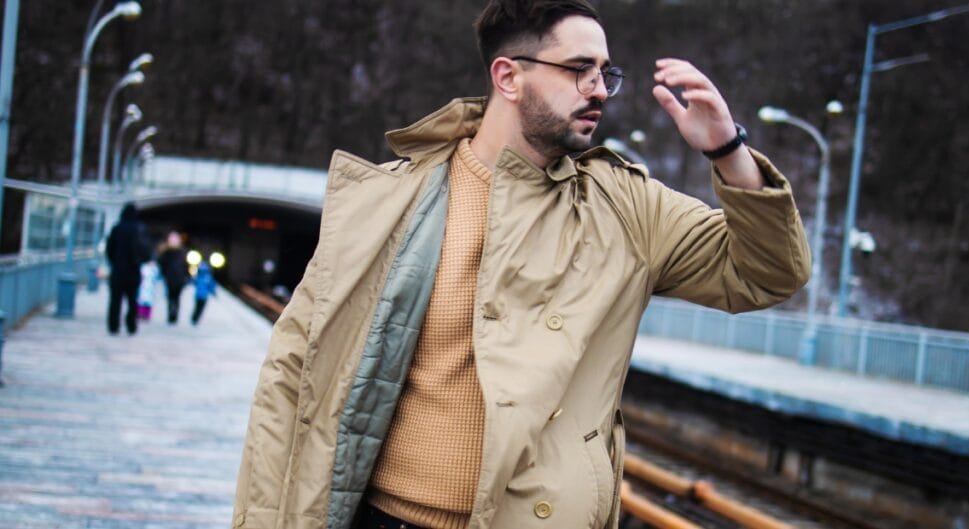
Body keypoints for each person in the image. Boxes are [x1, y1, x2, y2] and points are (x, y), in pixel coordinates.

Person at [232, 2, 811, 528]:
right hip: (376, 517)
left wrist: (727, 152)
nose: (600, 90)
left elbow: (767, 273)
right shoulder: (390, 199)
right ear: (508, 76)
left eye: (605, 73)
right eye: (578, 69)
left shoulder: (628, 210)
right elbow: (292, 376)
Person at [104, 202, 149, 335]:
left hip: (118, 271)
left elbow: (109, 249)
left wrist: (115, 262)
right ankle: (131, 325)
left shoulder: (117, 229)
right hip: (133, 271)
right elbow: (145, 251)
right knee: (133, 300)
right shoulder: (139, 229)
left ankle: (113, 326)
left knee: (115, 300)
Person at [156, 231, 188, 324]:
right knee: (176, 297)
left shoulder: (166, 252)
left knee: (170, 297)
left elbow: (161, 264)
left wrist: (163, 275)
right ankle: (174, 315)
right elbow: (186, 266)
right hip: (179, 278)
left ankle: (171, 315)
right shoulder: (182, 252)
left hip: (170, 278)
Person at [190, 261, 216, 325]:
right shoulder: (207, 277)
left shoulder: (200, 276)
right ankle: (195, 319)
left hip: (199, 296)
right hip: (202, 296)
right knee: (199, 308)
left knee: (198, 308)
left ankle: (194, 319)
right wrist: (213, 291)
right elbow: (211, 285)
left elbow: (194, 282)